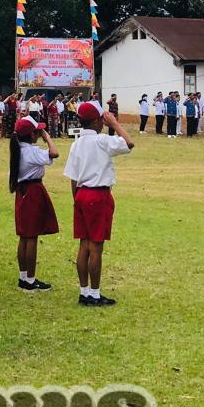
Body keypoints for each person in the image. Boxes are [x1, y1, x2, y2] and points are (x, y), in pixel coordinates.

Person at [64, 101, 132, 307]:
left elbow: (73, 178)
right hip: (98, 195)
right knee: (96, 247)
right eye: (101, 121)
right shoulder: (102, 140)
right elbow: (129, 143)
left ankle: (84, 290)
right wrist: (115, 124)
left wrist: (76, 199)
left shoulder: (76, 143)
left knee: (84, 244)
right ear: (95, 121)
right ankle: (94, 293)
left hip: (81, 194)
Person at [9, 115, 57, 292]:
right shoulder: (32, 151)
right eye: (37, 131)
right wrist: (48, 138)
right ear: (32, 135)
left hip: (23, 192)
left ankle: (24, 276)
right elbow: (54, 153)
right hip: (33, 192)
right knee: (32, 237)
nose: (39, 134)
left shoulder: (18, 149)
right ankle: (30, 279)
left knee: (24, 236)